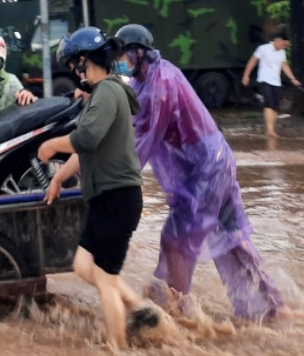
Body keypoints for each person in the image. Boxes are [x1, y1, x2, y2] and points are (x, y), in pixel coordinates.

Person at [115, 23, 289, 321]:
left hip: (207, 170)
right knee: (232, 239)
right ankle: (271, 307)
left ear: (139, 53)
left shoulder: (160, 84)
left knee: (175, 239)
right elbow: (128, 122)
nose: (121, 61)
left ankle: (181, 317)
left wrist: (115, 180)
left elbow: (143, 140)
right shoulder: (143, 80)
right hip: (214, 164)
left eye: (124, 55)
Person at [39, 27, 156, 351]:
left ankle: (116, 346)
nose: (75, 72)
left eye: (75, 64)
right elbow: (86, 150)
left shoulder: (106, 92)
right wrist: (59, 178)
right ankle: (139, 309)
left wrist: (50, 145)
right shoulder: (104, 93)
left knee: (104, 279)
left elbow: (85, 139)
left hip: (117, 198)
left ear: (83, 61)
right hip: (108, 199)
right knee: (82, 265)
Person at [241, 31, 301, 137]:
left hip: (276, 81)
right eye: (283, 44)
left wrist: (292, 78)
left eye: (286, 45)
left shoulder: (282, 52)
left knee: (275, 106)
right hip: (264, 80)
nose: (284, 47)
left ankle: (271, 129)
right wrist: (246, 75)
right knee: (269, 104)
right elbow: (253, 61)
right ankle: (269, 130)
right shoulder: (263, 49)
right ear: (278, 40)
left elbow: (284, 66)